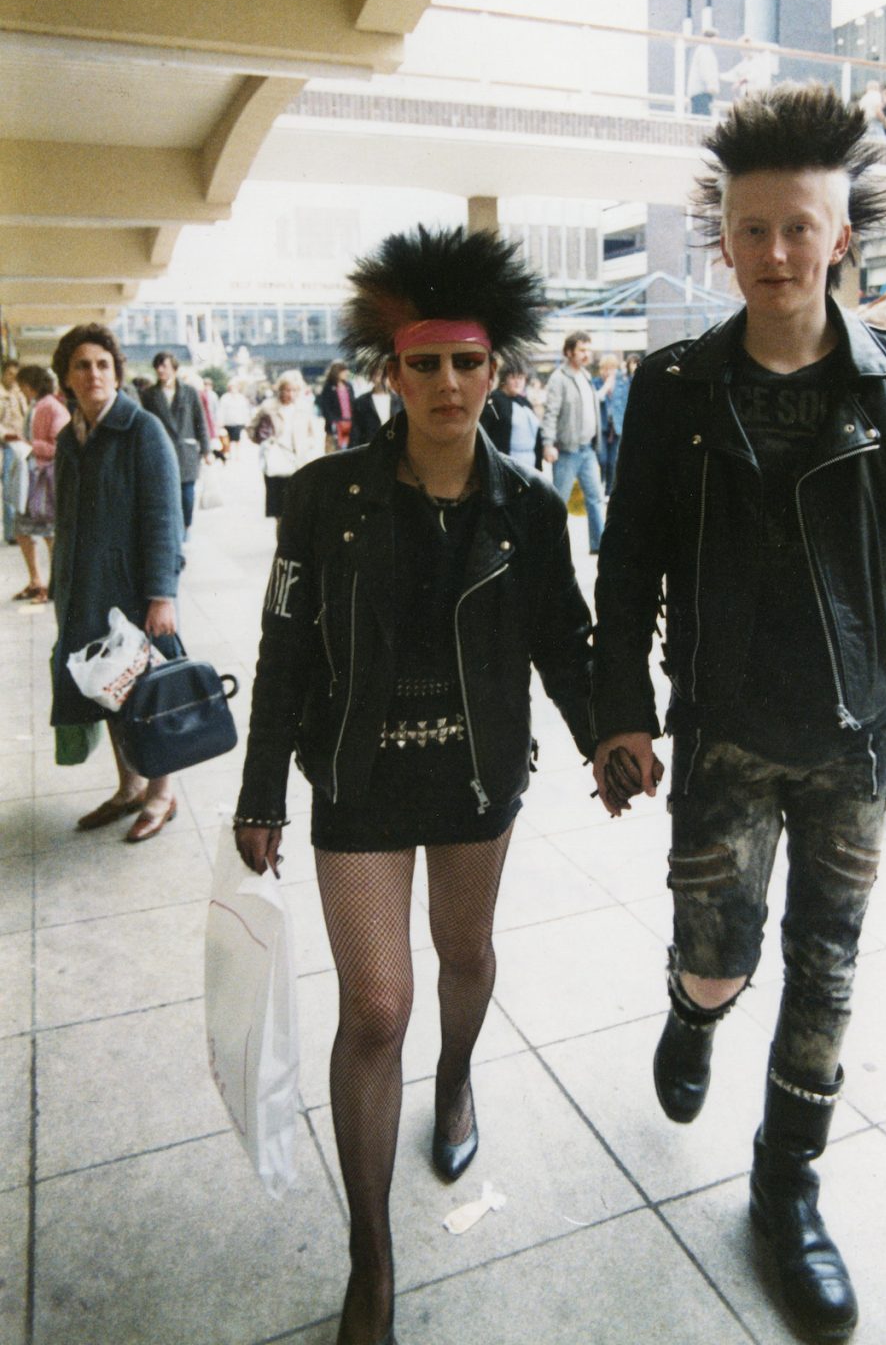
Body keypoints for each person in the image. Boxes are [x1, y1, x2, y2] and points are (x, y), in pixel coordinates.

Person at [591, 84, 886, 1343]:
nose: (774, 255)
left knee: (825, 969)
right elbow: (627, 563)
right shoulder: (670, 390)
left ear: (839, 237)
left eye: (797, 230)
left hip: (859, 740)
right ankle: (689, 1006)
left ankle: (785, 1193)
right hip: (718, 732)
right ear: (724, 238)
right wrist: (618, 712)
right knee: (721, 955)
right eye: (751, 231)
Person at [232, 226, 594, 1345]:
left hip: (477, 770)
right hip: (357, 779)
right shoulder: (325, 495)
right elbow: (284, 645)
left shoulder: (527, 505)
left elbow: (563, 640)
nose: (446, 382)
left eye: (467, 361)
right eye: (423, 362)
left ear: (498, 370)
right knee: (376, 1006)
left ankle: (460, 1080)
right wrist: (259, 793)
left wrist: (607, 736)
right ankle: (371, 1258)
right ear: (390, 371)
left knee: (467, 959)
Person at [49, 323, 184, 843]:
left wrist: (162, 593)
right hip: (84, 590)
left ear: (117, 372)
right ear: (68, 376)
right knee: (104, 688)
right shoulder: (69, 437)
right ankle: (129, 787)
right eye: (82, 365)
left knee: (148, 693)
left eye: (103, 364)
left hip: (132, 592)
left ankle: (161, 792)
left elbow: (162, 517)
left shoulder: (141, 429)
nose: (94, 373)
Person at [9, 366, 69, 603]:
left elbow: (57, 446)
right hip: (37, 477)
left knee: (48, 532)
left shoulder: (49, 407)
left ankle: (51, 585)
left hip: (45, 478)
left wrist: (29, 444)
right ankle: (38, 581)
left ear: (30, 384)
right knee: (26, 529)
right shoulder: (40, 405)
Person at [541, 330, 605, 554]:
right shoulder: (559, 378)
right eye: (582, 350)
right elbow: (550, 413)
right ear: (569, 352)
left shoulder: (586, 376)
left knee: (596, 498)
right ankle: (552, 549)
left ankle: (599, 546)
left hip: (587, 450)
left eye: (589, 349)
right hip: (567, 451)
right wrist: (548, 443)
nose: (587, 354)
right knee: (559, 503)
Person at [140, 353, 211, 536]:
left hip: (185, 451)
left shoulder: (189, 392)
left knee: (187, 495)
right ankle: (174, 531)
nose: (160, 370)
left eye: (164, 366)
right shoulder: (149, 395)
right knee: (167, 495)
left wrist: (206, 449)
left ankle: (186, 525)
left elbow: (200, 421)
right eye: (158, 366)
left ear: (175, 369)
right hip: (160, 452)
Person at [247, 370, 320, 530]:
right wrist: (265, 441)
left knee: (298, 509)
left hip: (298, 463)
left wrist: (309, 447)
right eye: (287, 389)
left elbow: (312, 434)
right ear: (279, 389)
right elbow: (252, 430)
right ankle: (282, 546)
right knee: (279, 511)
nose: (290, 394)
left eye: (294, 390)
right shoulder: (268, 407)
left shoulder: (304, 408)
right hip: (276, 463)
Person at [479, 361, 542, 470]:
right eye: (513, 378)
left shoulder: (525, 402)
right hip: (507, 464)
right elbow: (483, 433)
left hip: (530, 462)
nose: (518, 382)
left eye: (521, 378)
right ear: (504, 379)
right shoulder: (493, 401)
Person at [1, 358, 28, 545]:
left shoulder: (19, 393)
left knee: (22, 488)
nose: (13, 378)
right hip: (7, 445)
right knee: (10, 489)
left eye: (15, 375)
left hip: (23, 445)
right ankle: (11, 533)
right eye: (9, 374)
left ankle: (21, 530)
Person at [595, 352, 630, 492]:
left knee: (613, 462)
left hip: (616, 427)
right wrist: (606, 387)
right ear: (601, 369)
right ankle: (600, 483)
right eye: (606, 368)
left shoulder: (621, 384)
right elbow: (597, 399)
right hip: (601, 427)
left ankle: (608, 491)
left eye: (612, 368)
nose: (609, 372)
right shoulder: (596, 383)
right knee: (602, 459)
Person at [350, 368, 402, 446]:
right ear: (372, 377)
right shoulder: (361, 402)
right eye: (378, 375)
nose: (382, 379)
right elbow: (355, 432)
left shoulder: (399, 401)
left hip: (395, 448)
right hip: (369, 448)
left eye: (386, 375)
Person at [318, 361, 357, 453]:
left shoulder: (348, 386)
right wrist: (333, 421)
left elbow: (353, 403)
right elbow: (325, 407)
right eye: (344, 371)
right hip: (335, 425)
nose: (346, 373)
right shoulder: (328, 387)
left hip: (349, 423)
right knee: (333, 450)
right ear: (337, 372)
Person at [687, 28, 720, 116]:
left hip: (698, 93)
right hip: (701, 93)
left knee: (697, 117)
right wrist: (712, 86)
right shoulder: (705, 51)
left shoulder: (702, 50)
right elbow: (706, 71)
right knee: (702, 119)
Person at [217, 378, 252, 458]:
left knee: (238, 440)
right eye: (231, 387)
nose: (233, 388)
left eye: (234, 387)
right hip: (228, 422)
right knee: (228, 440)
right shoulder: (225, 398)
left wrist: (247, 421)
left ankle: (237, 455)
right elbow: (221, 410)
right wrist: (220, 421)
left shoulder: (241, 398)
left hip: (238, 422)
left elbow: (245, 410)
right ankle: (230, 454)